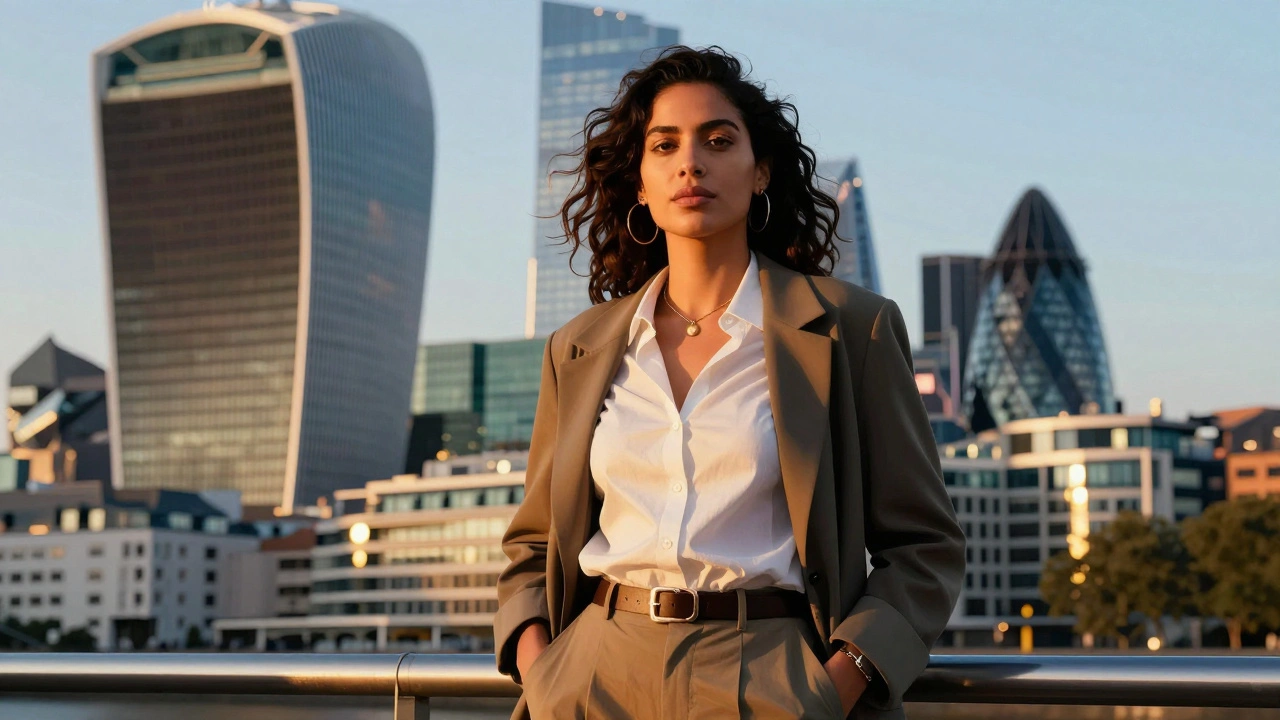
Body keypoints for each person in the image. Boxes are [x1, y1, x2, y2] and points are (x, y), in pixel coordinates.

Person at [495, 45, 965, 720]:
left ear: (760, 170)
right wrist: (542, 670)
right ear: (641, 182)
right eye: (665, 146)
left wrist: (841, 681)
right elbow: (532, 542)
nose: (691, 162)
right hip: (592, 672)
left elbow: (924, 544)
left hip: (769, 672)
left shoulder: (849, 329)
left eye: (719, 140)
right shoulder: (579, 348)